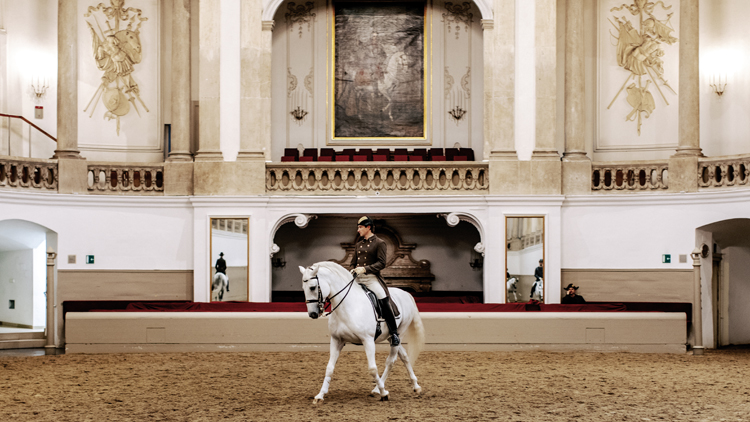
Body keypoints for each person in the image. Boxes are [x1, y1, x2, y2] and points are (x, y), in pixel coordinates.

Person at [349, 216, 400, 346]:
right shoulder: (359, 244)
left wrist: (365, 269)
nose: (358, 230)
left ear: (368, 227)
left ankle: (394, 333)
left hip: (371, 278)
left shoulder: (379, 243)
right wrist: (352, 270)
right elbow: (353, 262)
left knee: (383, 298)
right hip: (358, 279)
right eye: (358, 227)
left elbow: (382, 263)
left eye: (360, 227)